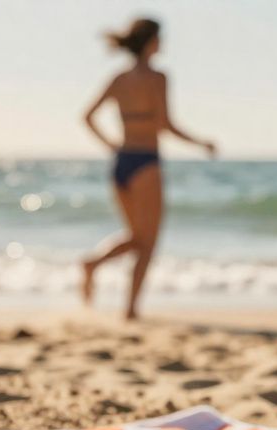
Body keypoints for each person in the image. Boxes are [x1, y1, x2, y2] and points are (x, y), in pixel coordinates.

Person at [81, 17, 216, 320]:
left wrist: (111, 145)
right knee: (147, 242)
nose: (162, 43)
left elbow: (87, 116)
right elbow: (166, 125)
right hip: (145, 163)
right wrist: (200, 143)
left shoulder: (119, 79)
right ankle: (129, 308)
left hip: (121, 163)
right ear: (150, 42)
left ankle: (94, 264)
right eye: (159, 38)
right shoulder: (158, 78)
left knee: (136, 237)